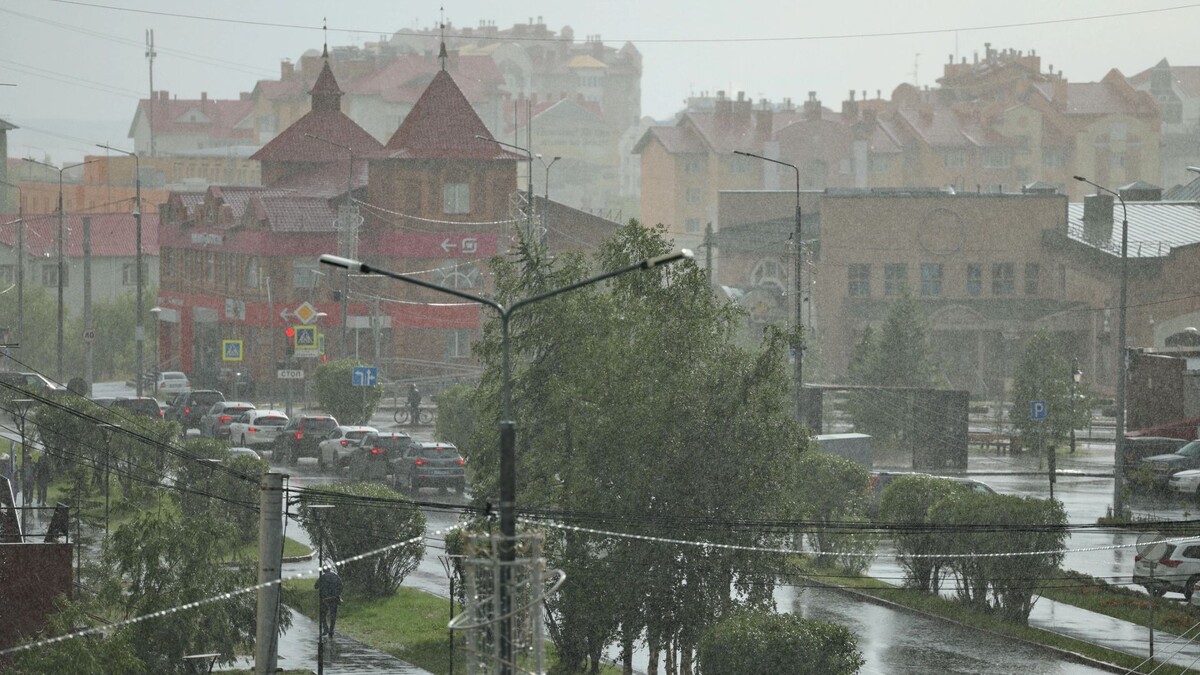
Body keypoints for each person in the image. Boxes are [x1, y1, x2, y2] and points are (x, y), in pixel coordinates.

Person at [315, 567, 343, 638]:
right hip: (334, 598)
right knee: (333, 616)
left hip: (325, 599)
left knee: (323, 615)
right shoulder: (336, 576)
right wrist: (337, 594)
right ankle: (331, 630)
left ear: (324, 571)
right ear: (330, 570)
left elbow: (316, 586)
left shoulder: (323, 577)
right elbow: (341, 586)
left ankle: (325, 628)